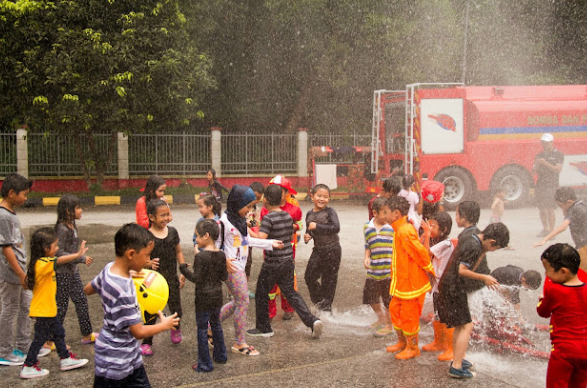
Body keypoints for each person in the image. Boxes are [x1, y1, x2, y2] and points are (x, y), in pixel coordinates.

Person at [84, 223, 180, 388]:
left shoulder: (108, 270)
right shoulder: (123, 289)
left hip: (129, 355)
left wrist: (127, 273)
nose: (148, 260)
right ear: (130, 254)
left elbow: (88, 289)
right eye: (147, 256)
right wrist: (164, 325)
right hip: (115, 362)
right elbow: (138, 332)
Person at [247, 184, 323, 338]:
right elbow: (288, 236)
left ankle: (264, 328)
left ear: (266, 200)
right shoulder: (288, 216)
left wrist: (247, 229)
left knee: (262, 293)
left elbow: (262, 239)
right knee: (291, 293)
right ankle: (312, 321)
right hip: (288, 261)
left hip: (272, 263)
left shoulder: (268, 218)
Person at [437, 222, 509, 379]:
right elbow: (462, 271)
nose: (494, 251)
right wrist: (484, 277)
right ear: (492, 242)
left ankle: (458, 358)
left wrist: (484, 252)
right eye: (495, 248)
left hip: (451, 286)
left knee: (460, 325)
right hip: (454, 288)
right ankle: (456, 366)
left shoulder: (474, 240)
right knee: (466, 325)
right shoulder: (473, 246)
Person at [219, 185, 283, 356]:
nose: (249, 211)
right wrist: (223, 259)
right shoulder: (223, 223)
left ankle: (211, 325)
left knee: (238, 302)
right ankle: (239, 343)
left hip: (239, 267)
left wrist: (270, 243)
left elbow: (247, 241)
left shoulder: (239, 221)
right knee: (243, 301)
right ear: (235, 203)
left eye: (251, 207)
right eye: (247, 207)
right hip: (233, 269)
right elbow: (214, 247)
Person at [19, 228, 89, 379]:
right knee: (39, 339)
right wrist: (77, 255)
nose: (57, 249)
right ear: (45, 248)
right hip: (43, 311)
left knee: (58, 333)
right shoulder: (43, 263)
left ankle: (65, 359)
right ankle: (28, 365)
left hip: (48, 310)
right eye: (55, 246)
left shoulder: (41, 263)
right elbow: (59, 260)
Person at [0, 173, 50, 366]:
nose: (26, 198)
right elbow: (6, 249)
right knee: (10, 309)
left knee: (25, 307)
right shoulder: (4, 216)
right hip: (11, 274)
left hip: (19, 272)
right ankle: (4, 351)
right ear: (11, 193)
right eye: (24, 194)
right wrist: (21, 274)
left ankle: (23, 344)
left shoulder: (10, 213)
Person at [384, 196, 435, 360]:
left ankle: (413, 347)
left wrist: (430, 270)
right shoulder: (399, 229)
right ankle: (402, 342)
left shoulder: (404, 230)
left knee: (409, 315)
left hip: (411, 284)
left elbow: (420, 252)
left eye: (386, 212)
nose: (384, 216)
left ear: (396, 214)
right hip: (401, 282)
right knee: (395, 310)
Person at [45, 195, 97, 351]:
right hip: (62, 273)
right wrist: (81, 258)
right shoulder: (62, 229)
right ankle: (50, 340)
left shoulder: (72, 225)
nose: (81, 211)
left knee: (81, 300)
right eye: (78, 208)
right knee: (61, 306)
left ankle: (87, 334)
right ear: (68, 211)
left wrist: (78, 259)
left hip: (73, 271)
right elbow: (58, 253)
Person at [180, 219, 228, 372]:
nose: (196, 240)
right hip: (217, 296)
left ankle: (205, 363)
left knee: (202, 328)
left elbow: (197, 278)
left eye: (198, 237)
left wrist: (183, 269)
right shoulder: (221, 254)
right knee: (216, 324)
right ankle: (221, 355)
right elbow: (223, 276)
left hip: (203, 298)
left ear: (206, 235)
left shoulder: (200, 257)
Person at [537, 243, 587, 388]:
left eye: (548, 270)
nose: (546, 275)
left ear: (563, 272)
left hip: (563, 352)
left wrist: (542, 299)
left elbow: (543, 312)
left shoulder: (554, 291)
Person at [141, 199, 185, 356]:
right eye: (163, 215)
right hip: (153, 281)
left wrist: (183, 269)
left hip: (171, 277)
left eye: (168, 214)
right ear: (152, 217)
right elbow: (141, 257)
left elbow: (178, 251)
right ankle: (147, 341)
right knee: (150, 312)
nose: (167, 218)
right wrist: (147, 263)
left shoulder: (172, 232)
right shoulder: (146, 236)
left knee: (176, 308)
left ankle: (175, 328)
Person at [260, 176, 301, 321]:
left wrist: (291, 226)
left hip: (287, 253)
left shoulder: (294, 209)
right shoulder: (265, 211)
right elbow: (262, 228)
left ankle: (288, 308)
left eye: (281, 190)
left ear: (286, 192)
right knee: (270, 286)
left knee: (287, 282)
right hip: (270, 253)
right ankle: (270, 313)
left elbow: (300, 225)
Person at [420, 211, 456, 361]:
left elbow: (426, 254)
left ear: (444, 229)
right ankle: (439, 342)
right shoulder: (440, 243)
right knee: (438, 314)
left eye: (433, 226)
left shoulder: (445, 244)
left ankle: (451, 348)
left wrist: (426, 235)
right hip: (438, 285)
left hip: (445, 285)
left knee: (447, 317)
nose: (430, 228)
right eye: (429, 225)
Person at [304, 184, 342, 312]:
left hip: (332, 250)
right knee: (309, 276)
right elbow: (309, 229)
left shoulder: (330, 212)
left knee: (329, 280)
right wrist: (307, 236)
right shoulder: (309, 214)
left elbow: (336, 227)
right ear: (312, 196)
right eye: (319, 195)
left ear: (329, 199)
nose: (322, 199)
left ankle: (326, 308)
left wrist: (317, 227)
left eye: (325, 197)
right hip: (318, 250)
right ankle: (320, 301)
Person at [535, 187, 587, 272]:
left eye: (560, 205)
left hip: (584, 246)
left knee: (581, 275)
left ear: (569, 202)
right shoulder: (581, 204)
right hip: (583, 244)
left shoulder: (574, 210)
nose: (560, 208)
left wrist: (545, 239)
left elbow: (563, 226)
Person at [363, 197, 393, 337]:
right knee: (370, 297)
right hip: (374, 270)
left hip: (388, 271)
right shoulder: (367, 228)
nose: (387, 216)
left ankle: (389, 325)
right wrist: (366, 257)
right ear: (375, 213)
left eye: (389, 212)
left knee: (388, 301)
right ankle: (381, 318)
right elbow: (368, 245)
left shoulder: (391, 228)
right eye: (384, 213)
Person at [533, 133, 564, 237]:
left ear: (552, 142)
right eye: (543, 143)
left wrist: (545, 163)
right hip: (541, 184)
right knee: (542, 207)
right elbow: (533, 171)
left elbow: (557, 170)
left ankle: (551, 230)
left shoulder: (558, 154)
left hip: (552, 184)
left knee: (550, 207)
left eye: (547, 142)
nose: (545, 144)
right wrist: (537, 164)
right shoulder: (539, 155)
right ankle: (545, 228)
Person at [246, 182, 264, 299]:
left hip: (250, 241)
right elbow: (241, 224)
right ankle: (233, 291)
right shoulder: (242, 206)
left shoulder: (256, 208)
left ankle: (245, 289)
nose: (256, 200)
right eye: (255, 197)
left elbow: (256, 223)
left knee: (248, 263)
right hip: (240, 240)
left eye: (258, 198)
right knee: (238, 266)